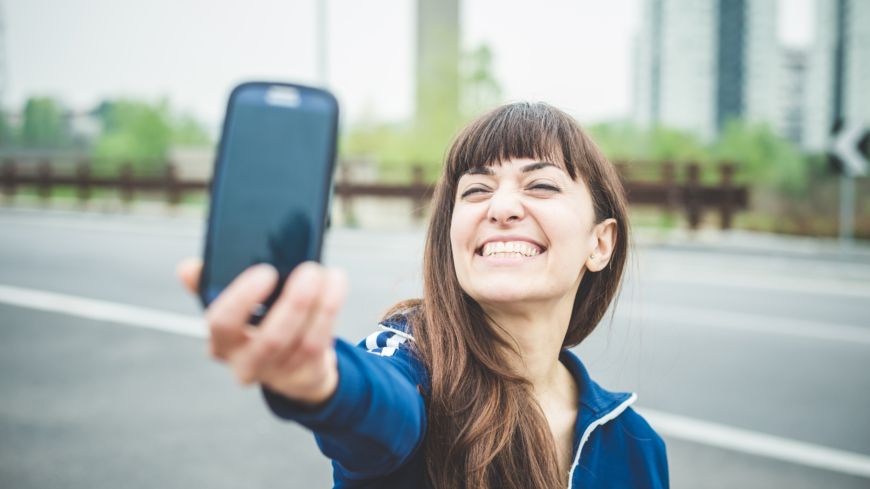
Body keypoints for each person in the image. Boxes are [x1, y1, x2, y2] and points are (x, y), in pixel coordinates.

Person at [177, 102, 669, 488]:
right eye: (475, 190)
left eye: (540, 185)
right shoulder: (411, 363)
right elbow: (381, 407)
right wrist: (322, 380)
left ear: (600, 242)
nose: (500, 207)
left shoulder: (637, 446)